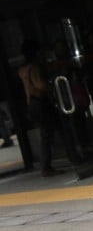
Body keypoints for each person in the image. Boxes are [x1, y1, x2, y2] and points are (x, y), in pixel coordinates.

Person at [18, 39, 63, 176]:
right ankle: (47, 166)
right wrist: (53, 88)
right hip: (41, 101)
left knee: (45, 134)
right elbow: (40, 84)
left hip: (31, 103)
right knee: (49, 133)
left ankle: (47, 165)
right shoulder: (34, 67)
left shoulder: (22, 70)